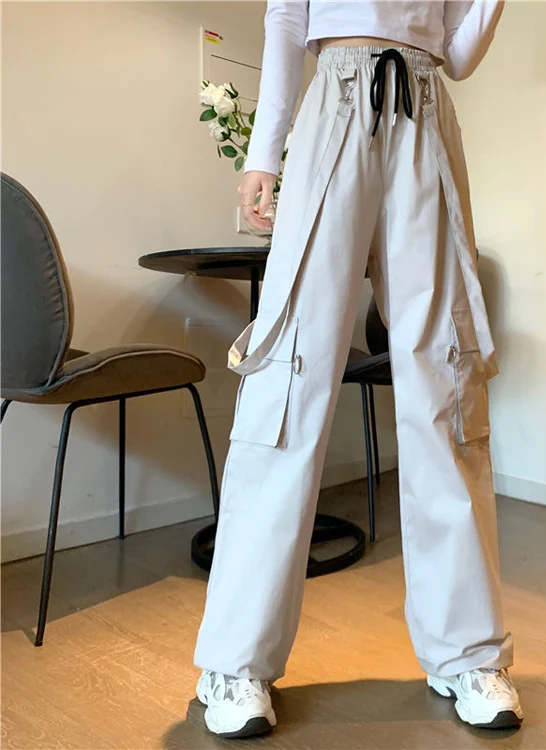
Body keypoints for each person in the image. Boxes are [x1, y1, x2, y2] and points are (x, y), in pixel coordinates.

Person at [193, 0, 523, 739]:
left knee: (445, 376)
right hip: (336, 98)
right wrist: (264, 153)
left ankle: (468, 651)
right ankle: (236, 660)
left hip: (425, 112)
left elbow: (458, 54)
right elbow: (287, 17)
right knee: (290, 371)